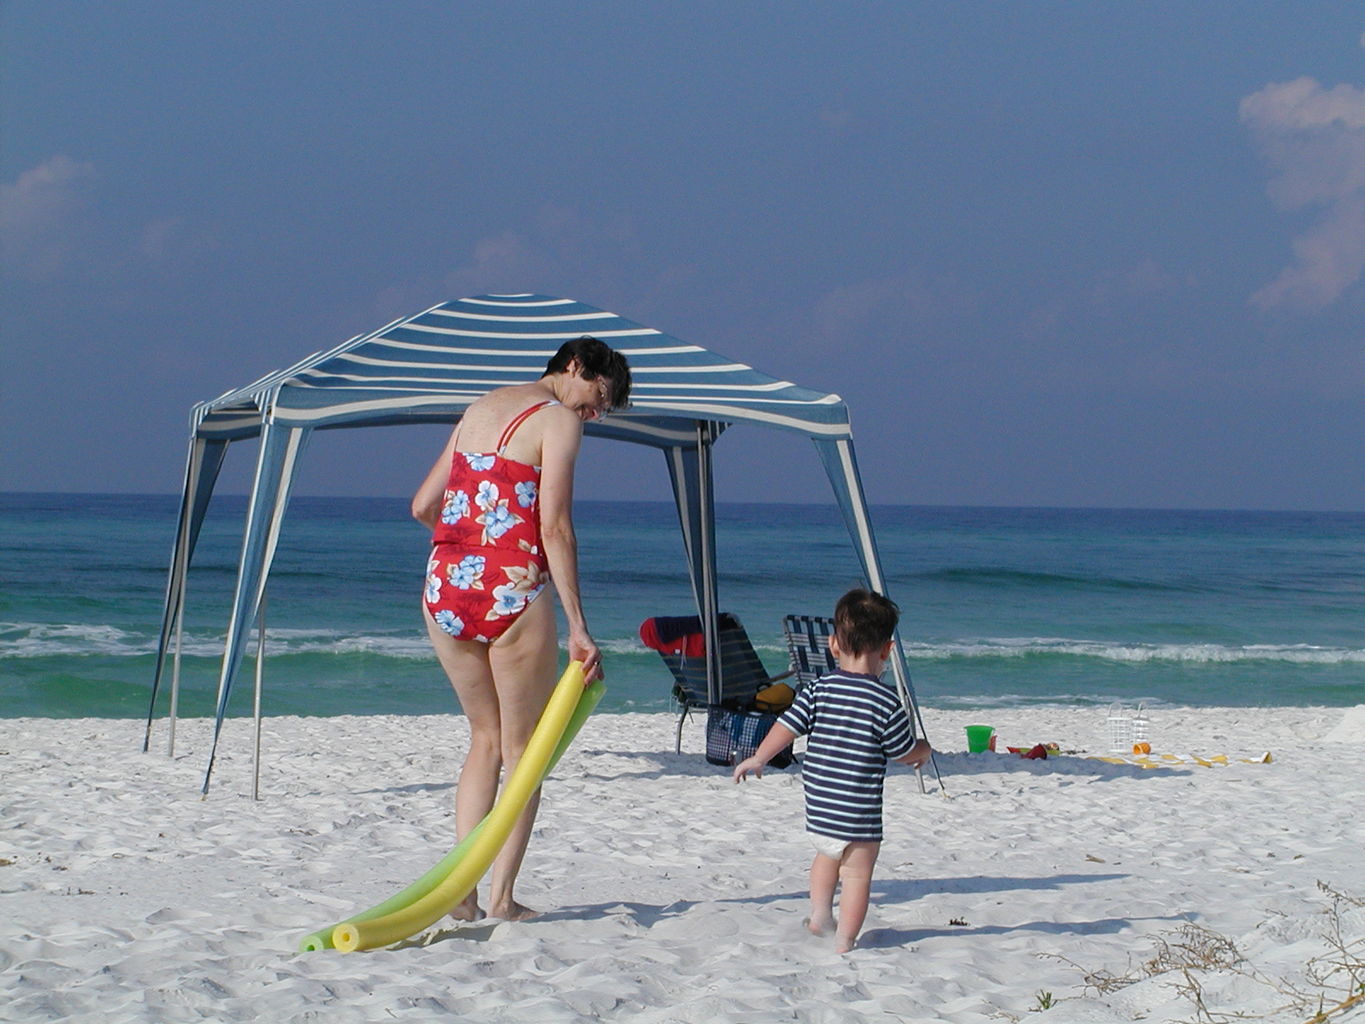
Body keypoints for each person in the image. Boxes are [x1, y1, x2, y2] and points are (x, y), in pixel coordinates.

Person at [411, 335, 631, 922]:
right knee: (523, 750)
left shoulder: (479, 407)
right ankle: (503, 898)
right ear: (576, 366)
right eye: (598, 395)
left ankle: (460, 890)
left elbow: (424, 505)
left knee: (483, 740)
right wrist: (578, 627)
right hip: (510, 586)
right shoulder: (557, 420)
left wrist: (471, 542)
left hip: (446, 583)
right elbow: (554, 526)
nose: (595, 412)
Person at [733, 588, 931, 953]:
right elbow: (901, 751)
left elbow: (786, 726)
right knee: (856, 875)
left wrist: (759, 757)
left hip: (821, 804)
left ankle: (821, 916)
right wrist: (923, 749)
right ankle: (843, 942)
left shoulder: (817, 689)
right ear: (887, 651)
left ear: (833, 644)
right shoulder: (886, 701)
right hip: (859, 812)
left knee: (827, 856)